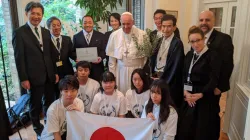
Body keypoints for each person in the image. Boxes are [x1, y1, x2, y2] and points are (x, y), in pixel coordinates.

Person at [12, 2, 59, 136]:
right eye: (33, 13)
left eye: (39, 14)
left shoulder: (45, 31)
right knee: (35, 104)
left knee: (49, 102)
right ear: (27, 14)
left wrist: (54, 72)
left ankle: (49, 124)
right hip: (33, 77)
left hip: (48, 75)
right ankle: (38, 129)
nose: (36, 16)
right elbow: (19, 58)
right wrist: (23, 78)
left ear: (42, 15)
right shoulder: (19, 33)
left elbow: (50, 54)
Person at [176, 26, 221, 140]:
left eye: (198, 40)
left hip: (204, 96)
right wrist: (185, 91)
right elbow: (184, 75)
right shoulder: (189, 55)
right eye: (192, 41)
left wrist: (201, 94)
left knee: (201, 130)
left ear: (204, 39)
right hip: (189, 94)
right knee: (185, 126)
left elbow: (214, 79)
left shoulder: (213, 55)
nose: (195, 44)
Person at [106, 12, 147, 94]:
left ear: (133, 22)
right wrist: (113, 76)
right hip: (121, 71)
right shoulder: (114, 35)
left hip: (137, 70)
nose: (125, 27)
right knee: (122, 94)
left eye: (128, 24)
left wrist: (141, 73)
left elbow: (145, 58)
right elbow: (112, 61)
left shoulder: (142, 34)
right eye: (123, 24)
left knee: (137, 94)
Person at [150, 14, 184, 108]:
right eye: (164, 26)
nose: (166, 29)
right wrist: (153, 76)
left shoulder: (177, 43)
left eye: (169, 26)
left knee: (168, 106)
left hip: (169, 79)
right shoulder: (159, 40)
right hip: (157, 76)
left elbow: (176, 66)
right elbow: (153, 60)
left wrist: (163, 81)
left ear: (174, 27)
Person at [199, 10, 234, 96]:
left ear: (214, 22)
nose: (204, 23)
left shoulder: (224, 39)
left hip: (213, 87)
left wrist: (220, 87)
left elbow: (228, 65)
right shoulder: (197, 37)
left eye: (207, 20)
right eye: (201, 20)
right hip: (197, 85)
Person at [41, 75, 84, 140]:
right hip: (51, 136)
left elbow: (80, 127)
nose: (69, 94)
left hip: (67, 133)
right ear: (61, 92)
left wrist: (78, 113)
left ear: (77, 91)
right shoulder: (53, 109)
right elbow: (56, 134)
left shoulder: (79, 103)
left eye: (73, 90)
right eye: (66, 91)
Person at [47, 16, 76, 99]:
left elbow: (72, 53)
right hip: (54, 72)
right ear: (49, 27)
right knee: (56, 95)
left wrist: (78, 58)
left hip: (67, 71)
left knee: (69, 93)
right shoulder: (46, 41)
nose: (56, 27)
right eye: (54, 25)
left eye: (58, 25)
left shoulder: (67, 39)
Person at [73, 15, 106, 81]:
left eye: (90, 22)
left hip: (97, 68)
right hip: (82, 70)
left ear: (93, 23)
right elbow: (72, 51)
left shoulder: (101, 36)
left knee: (97, 87)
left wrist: (101, 57)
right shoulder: (76, 37)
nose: (87, 25)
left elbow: (104, 50)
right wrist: (76, 58)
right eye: (85, 23)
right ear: (82, 24)